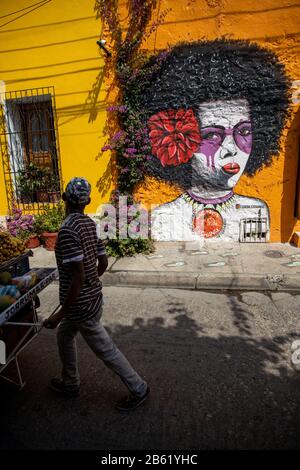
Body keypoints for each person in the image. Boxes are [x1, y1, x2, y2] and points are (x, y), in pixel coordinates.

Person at [128, 40, 290, 241]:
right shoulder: (163, 218)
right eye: (212, 135)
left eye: (244, 131)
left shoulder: (255, 212)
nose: (231, 149)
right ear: (181, 141)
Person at [43, 177, 149, 411]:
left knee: (105, 349)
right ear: (87, 201)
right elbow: (103, 262)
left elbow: (78, 278)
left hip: (80, 306)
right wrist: (92, 281)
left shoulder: (68, 231)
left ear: (63, 199)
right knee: (64, 336)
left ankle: (138, 388)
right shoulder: (90, 225)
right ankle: (70, 383)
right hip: (90, 299)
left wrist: (58, 315)